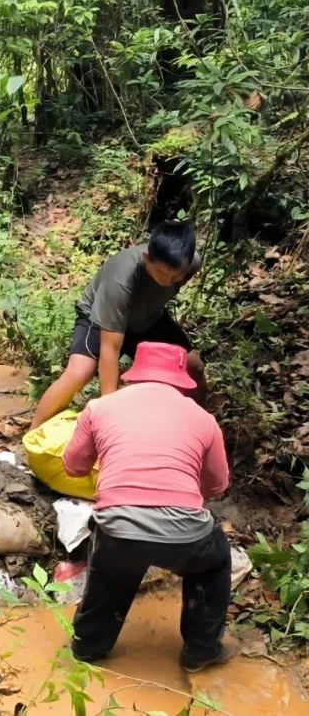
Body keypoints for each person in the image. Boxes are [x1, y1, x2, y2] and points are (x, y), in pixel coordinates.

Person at [63, 341, 233, 672]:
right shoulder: (203, 419)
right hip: (186, 536)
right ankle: (200, 650)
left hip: (119, 528)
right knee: (213, 561)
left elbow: (74, 466)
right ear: (182, 378)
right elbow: (216, 486)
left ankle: (90, 646)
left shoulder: (100, 408)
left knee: (112, 559)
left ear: (135, 374)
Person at [30, 220, 206, 429]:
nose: (170, 281)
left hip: (147, 318)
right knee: (80, 372)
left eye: (177, 275)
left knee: (193, 366)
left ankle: (198, 428)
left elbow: (173, 278)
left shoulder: (191, 263)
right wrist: (110, 411)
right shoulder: (120, 280)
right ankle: (31, 436)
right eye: (162, 273)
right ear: (147, 259)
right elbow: (110, 349)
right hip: (98, 317)